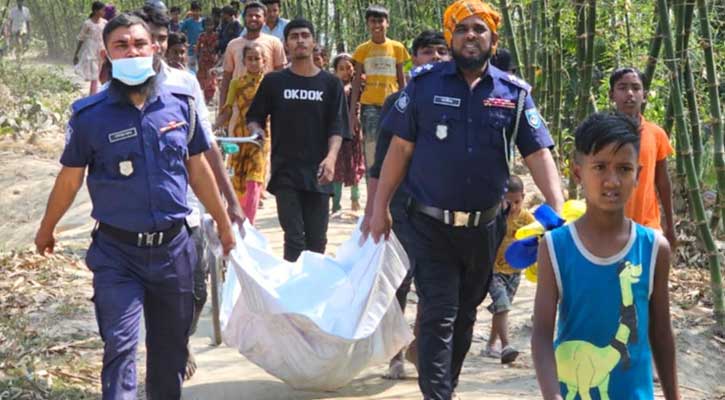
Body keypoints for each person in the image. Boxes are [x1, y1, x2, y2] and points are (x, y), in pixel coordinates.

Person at [367, 1, 564, 398]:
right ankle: (437, 394)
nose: (470, 36)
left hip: (484, 228)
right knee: (438, 313)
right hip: (429, 224)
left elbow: (538, 153)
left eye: (479, 29)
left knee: (466, 315)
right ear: (449, 37)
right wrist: (378, 208)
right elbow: (399, 151)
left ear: (493, 39)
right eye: (462, 30)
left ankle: (445, 385)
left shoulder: (514, 94)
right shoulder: (423, 86)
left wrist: (557, 206)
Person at [34, 14, 235, 399]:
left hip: (174, 251)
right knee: (121, 346)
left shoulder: (181, 105)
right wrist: (47, 228)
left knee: (169, 355)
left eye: (139, 44)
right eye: (121, 45)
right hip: (117, 254)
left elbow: (198, 171)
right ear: (107, 53)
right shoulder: (89, 115)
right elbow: (70, 179)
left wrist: (224, 225)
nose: (132, 51)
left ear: (155, 47)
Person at [130, 6, 248, 380]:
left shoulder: (184, 83)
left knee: (195, 291)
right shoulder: (117, 84)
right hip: (136, 211)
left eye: (161, 38)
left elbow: (206, 146)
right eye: (149, 38)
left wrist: (229, 201)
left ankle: (178, 341)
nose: (157, 46)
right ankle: (161, 353)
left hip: (186, 205)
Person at [532, 111, 680, 400]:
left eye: (624, 169)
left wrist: (674, 396)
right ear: (578, 172)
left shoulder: (653, 248)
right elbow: (541, 333)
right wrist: (552, 395)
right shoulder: (555, 246)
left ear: (638, 174)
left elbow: (661, 332)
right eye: (599, 167)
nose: (612, 181)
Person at [363, 29, 450, 380]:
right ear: (413, 60)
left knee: (435, 286)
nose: (436, 58)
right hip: (402, 207)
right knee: (399, 281)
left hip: (443, 208)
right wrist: (374, 209)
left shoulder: (464, 101)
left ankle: (419, 347)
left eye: (442, 52)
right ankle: (396, 352)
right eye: (427, 52)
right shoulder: (397, 102)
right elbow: (381, 160)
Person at [246, 18, 350, 262]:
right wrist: (257, 130)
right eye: (294, 36)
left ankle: (313, 294)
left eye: (305, 35)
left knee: (317, 241)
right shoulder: (274, 81)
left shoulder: (331, 83)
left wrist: (331, 158)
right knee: (294, 238)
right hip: (286, 171)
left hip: (319, 172)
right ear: (286, 44)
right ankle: (291, 294)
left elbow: (338, 126)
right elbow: (254, 116)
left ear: (314, 42)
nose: (300, 40)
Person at [609, 67, 676, 248]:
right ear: (611, 95)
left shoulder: (656, 134)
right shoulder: (602, 133)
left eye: (636, 88)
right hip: (609, 225)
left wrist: (670, 225)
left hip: (648, 225)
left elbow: (662, 180)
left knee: (649, 275)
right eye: (622, 88)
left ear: (644, 95)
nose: (629, 94)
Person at [349, 5, 410, 169]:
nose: (377, 25)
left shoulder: (397, 48)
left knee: (394, 145)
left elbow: (401, 78)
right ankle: (372, 190)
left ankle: (391, 188)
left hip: (393, 104)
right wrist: (352, 112)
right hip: (370, 105)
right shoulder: (362, 49)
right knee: (371, 148)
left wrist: (406, 104)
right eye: (372, 21)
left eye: (380, 21)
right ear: (367, 24)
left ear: (387, 23)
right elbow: (356, 82)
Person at [481, 175, 533, 364]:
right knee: (503, 305)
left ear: (523, 198)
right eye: (508, 202)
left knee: (500, 310)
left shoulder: (526, 218)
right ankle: (505, 346)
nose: (513, 207)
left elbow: (538, 234)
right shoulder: (494, 216)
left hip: (515, 272)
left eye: (517, 202)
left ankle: (490, 345)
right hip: (494, 270)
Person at [216, 43, 269, 224]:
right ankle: (237, 222)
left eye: (257, 59)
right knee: (237, 180)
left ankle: (249, 224)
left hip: (260, 137)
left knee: (254, 179)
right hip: (239, 136)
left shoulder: (270, 83)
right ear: (244, 61)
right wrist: (214, 126)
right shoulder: (236, 84)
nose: (254, 62)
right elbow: (228, 109)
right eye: (250, 59)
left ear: (264, 61)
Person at [220, 1, 286, 133]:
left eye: (257, 16)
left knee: (264, 146)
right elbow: (227, 78)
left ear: (265, 19)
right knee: (237, 148)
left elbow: (281, 77)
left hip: (266, 107)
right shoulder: (233, 45)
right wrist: (222, 109)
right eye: (250, 15)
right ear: (244, 18)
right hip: (238, 107)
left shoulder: (274, 43)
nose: (253, 19)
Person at [330, 53, 365, 214]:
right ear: (335, 71)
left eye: (349, 68)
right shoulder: (331, 86)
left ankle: (355, 200)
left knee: (355, 164)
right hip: (336, 131)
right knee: (337, 167)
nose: (346, 72)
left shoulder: (360, 85)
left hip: (355, 132)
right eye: (341, 69)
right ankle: (336, 204)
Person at [73, 1, 107, 96]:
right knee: (95, 74)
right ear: (96, 11)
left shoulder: (104, 23)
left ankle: (98, 93)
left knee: (100, 72)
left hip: (102, 50)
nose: (104, 12)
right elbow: (81, 38)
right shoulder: (88, 24)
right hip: (91, 50)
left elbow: (108, 36)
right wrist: (76, 54)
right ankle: (93, 95)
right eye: (102, 10)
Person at [196, 18, 219, 102]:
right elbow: (198, 47)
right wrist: (198, 56)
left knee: (211, 78)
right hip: (203, 60)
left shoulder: (216, 35)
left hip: (212, 60)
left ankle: (210, 97)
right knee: (203, 78)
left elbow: (218, 48)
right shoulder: (201, 36)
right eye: (207, 25)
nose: (209, 27)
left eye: (211, 25)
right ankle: (204, 97)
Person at [180, 1, 204, 72]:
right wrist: (185, 43)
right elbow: (181, 32)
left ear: (200, 11)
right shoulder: (187, 22)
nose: (196, 13)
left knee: (202, 70)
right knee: (191, 70)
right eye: (194, 10)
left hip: (202, 50)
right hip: (191, 49)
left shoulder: (204, 21)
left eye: (197, 10)